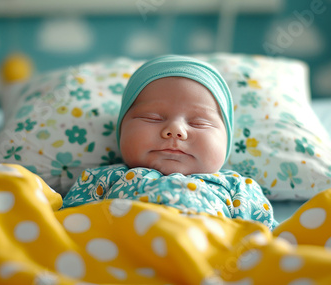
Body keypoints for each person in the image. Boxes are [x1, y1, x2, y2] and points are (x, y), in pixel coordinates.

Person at [62, 55, 278, 230]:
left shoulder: (238, 188)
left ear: (226, 139)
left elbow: (266, 244)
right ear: (122, 129)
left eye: (198, 122)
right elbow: (67, 230)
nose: (175, 130)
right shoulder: (102, 179)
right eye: (153, 118)